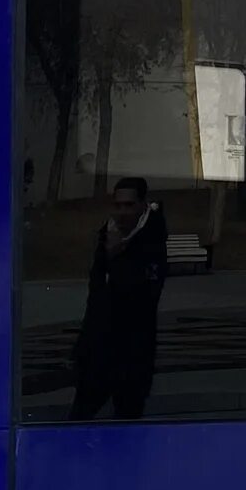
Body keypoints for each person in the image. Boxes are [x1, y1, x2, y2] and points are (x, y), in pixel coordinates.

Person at [72, 177, 168, 420]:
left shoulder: (152, 241)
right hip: (98, 351)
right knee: (79, 416)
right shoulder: (108, 234)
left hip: (132, 354)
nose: (122, 213)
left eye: (129, 205)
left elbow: (142, 298)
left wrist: (115, 259)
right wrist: (84, 345)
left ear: (142, 206)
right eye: (118, 205)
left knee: (127, 421)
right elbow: (95, 297)